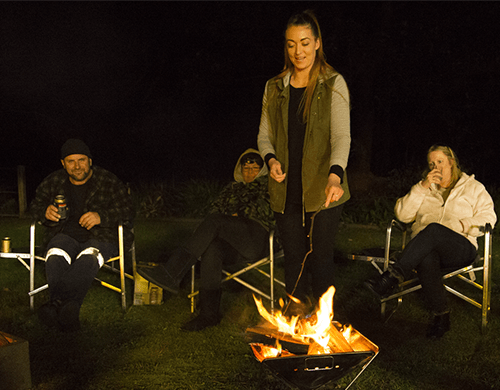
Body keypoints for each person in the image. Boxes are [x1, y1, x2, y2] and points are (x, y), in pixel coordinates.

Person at [257, 10, 351, 310]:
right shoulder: (274, 87)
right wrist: (271, 161)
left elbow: (342, 137)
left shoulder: (333, 83)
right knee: (294, 260)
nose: (298, 51)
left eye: (305, 43)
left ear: (318, 43)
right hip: (286, 189)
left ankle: (325, 329)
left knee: (321, 257)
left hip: (324, 188)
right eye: (291, 44)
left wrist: (335, 176)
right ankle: (296, 323)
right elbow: (263, 136)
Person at [365, 145, 497, 338]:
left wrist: (462, 224)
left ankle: (392, 277)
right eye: (431, 164)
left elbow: (489, 218)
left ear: (451, 162)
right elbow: (402, 215)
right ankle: (441, 317)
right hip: (424, 250)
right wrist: (421, 187)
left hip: (460, 247)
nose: (436, 167)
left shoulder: (473, 188)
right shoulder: (424, 188)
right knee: (427, 257)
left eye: (440, 162)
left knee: (433, 229)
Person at [136, 149, 275, 331]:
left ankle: (172, 271)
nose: (249, 172)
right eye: (245, 168)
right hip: (232, 243)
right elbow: (215, 209)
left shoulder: (269, 185)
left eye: (254, 168)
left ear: (262, 170)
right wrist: (227, 218)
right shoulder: (231, 189)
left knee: (216, 221)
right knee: (212, 249)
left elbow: (266, 210)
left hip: (257, 238)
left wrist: (235, 215)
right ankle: (209, 315)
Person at [30, 139, 134, 331]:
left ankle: (56, 304)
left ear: (90, 161)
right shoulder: (54, 181)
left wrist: (101, 216)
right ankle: (69, 310)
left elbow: (128, 209)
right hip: (64, 233)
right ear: (63, 163)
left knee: (89, 257)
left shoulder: (108, 180)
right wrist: (44, 211)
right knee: (55, 254)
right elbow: (36, 204)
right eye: (71, 161)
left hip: (102, 235)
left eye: (82, 160)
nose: (77, 166)